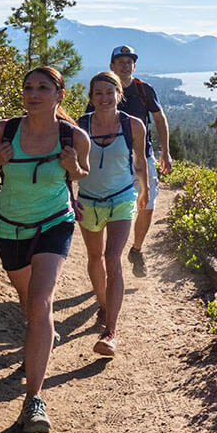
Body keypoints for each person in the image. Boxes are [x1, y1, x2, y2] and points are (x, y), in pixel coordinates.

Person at [0, 66, 89, 433]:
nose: (33, 94)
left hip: (54, 222)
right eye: (28, 87)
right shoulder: (3, 130)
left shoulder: (73, 136)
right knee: (28, 303)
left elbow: (82, 172)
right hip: (9, 227)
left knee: (41, 303)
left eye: (43, 87)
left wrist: (73, 167)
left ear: (59, 95)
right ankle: (39, 336)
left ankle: (33, 400)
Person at [74, 71, 149, 356]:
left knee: (111, 256)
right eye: (98, 94)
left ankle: (110, 331)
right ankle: (104, 306)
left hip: (121, 198)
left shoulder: (134, 125)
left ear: (120, 94)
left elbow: (140, 162)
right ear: (91, 98)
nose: (104, 98)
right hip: (89, 201)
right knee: (94, 258)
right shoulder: (79, 127)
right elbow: (68, 166)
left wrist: (144, 192)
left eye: (109, 92)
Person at [108, 45, 172, 277]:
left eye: (129, 62)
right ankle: (112, 254)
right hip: (112, 159)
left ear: (133, 66)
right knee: (113, 208)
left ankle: (136, 250)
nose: (126, 65)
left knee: (147, 206)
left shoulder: (143, 90)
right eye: (121, 61)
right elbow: (88, 122)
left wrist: (165, 152)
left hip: (142, 156)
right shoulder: (104, 89)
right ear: (112, 66)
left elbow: (159, 118)